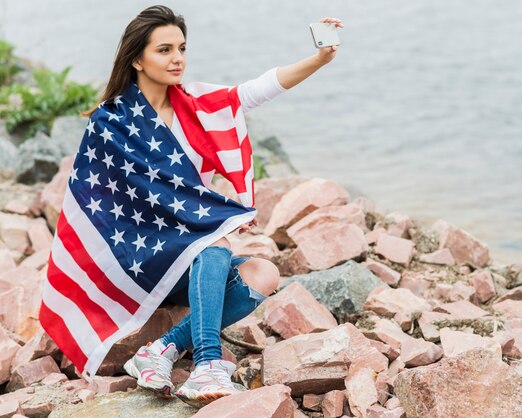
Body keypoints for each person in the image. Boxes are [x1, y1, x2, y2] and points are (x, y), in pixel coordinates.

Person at [81, 5, 344, 407]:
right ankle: (207, 363)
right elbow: (103, 203)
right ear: (137, 58)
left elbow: (258, 89)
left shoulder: (199, 106)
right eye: (164, 50)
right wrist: (211, 221)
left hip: (194, 258)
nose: (178, 59)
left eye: (182, 48)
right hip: (143, 259)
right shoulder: (112, 122)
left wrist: (320, 59)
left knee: (263, 271)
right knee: (215, 240)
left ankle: (162, 349)